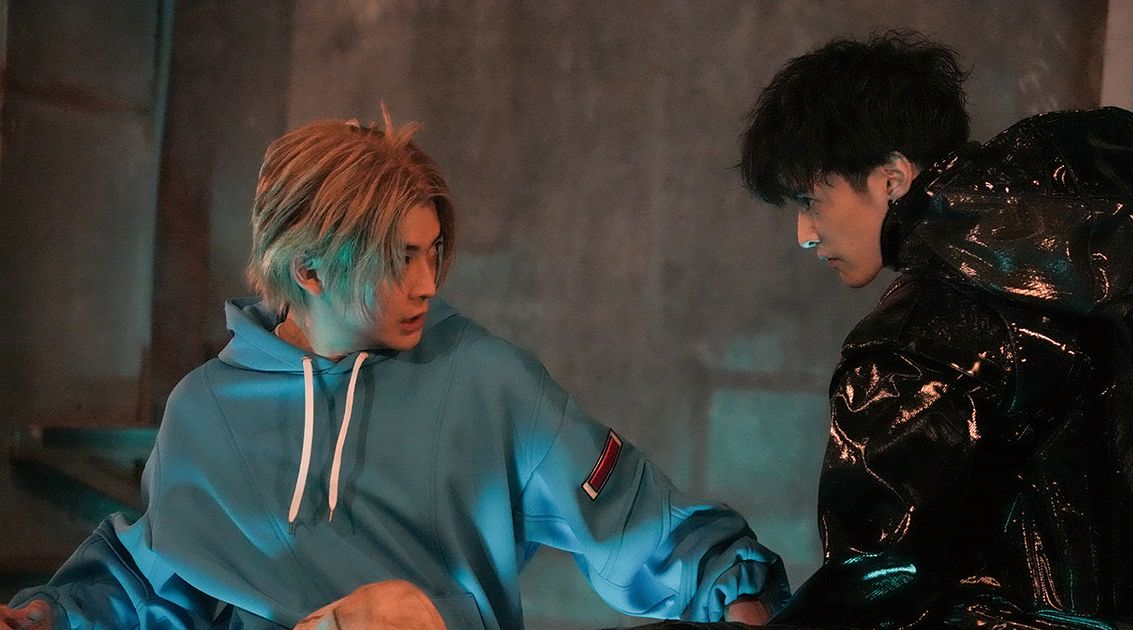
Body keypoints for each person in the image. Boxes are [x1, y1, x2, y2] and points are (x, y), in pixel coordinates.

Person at [1, 114, 788, 629]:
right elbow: (155, 585)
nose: (427, 283)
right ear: (310, 270)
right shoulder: (204, 410)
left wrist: (740, 596)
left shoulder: (486, 381)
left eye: (432, 252)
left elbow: (642, 526)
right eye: (399, 258)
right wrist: (47, 616)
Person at [734, 31, 1133, 627]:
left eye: (810, 200)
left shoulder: (918, 340)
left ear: (891, 178)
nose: (804, 234)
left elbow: (874, 588)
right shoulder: (1117, 277)